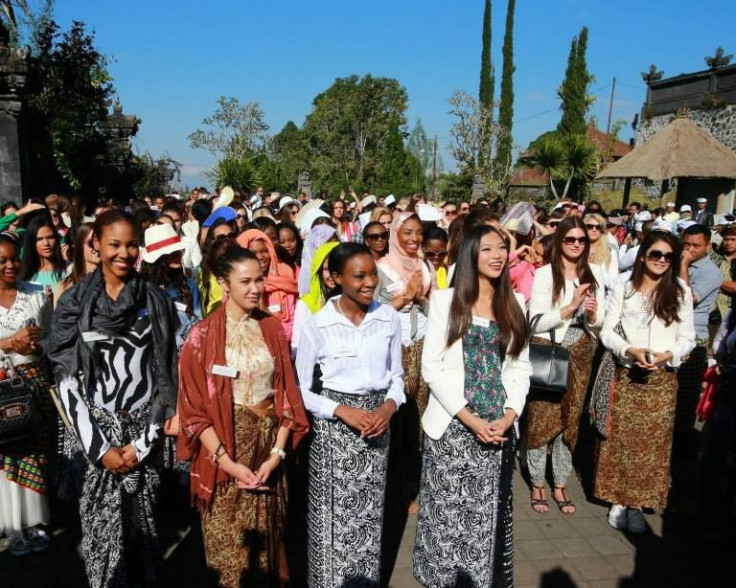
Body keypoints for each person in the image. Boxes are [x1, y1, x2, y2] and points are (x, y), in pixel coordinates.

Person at [45, 210, 178, 587]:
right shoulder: (75, 305)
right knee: (103, 543)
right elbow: (67, 379)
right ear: (96, 246)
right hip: (95, 433)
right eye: (115, 244)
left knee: (146, 537)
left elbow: (163, 377)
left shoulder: (155, 302)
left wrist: (142, 443)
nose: (124, 253)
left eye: (132, 244)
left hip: (143, 432)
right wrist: (101, 449)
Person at [178, 244, 309, 586]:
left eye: (260, 280)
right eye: (245, 281)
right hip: (224, 452)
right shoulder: (201, 336)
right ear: (224, 283)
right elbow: (193, 413)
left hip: (269, 448)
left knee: (270, 546)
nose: (256, 289)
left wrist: (277, 455)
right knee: (229, 555)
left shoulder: (272, 328)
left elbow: (286, 398)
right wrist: (228, 463)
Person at [413, 225, 531, 587]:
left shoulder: (516, 304)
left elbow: (519, 367)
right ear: (470, 256)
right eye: (487, 249)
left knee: (485, 516)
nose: (497, 256)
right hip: (453, 426)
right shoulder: (446, 301)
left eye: (502, 248)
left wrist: (510, 415)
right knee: (446, 516)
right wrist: (470, 418)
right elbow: (431, 367)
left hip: (497, 427)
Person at [296, 243, 405, 586]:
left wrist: (388, 408)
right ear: (336, 278)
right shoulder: (319, 324)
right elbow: (300, 390)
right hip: (334, 436)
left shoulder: (388, 318)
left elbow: (397, 378)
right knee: (334, 521)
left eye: (373, 273)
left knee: (370, 518)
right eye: (359, 276)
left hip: (377, 428)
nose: (369, 282)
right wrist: (341, 411)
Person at [595, 231, 695, 533]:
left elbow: (688, 338)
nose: (662, 261)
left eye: (668, 256)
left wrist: (668, 355)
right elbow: (607, 332)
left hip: (661, 380)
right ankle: (619, 500)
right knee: (621, 442)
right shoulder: (624, 287)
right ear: (642, 256)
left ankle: (637, 503)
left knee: (651, 446)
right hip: (627, 374)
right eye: (656, 254)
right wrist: (629, 350)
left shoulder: (680, 290)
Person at [526, 216, 605, 515]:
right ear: (559, 241)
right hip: (550, 350)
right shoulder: (546, 274)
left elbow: (601, 322)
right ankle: (537, 483)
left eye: (581, 240)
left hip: (582, 352)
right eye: (570, 239)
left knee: (571, 420)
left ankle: (560, 483)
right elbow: (536, 320)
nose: (576, 244)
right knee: (540, 418)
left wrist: (593, 314)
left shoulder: (594, 273)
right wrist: (570, 307)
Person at [375, 212, 435, 510]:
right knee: (397, 415)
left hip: (423, 343)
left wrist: (420, 298)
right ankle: (391, 483)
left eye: (418, 232)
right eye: (407, 232)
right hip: (395, 347)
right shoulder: (383, 267)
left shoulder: (425, 265)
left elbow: (432, 302)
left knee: (419, 417)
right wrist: (405, 296)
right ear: (396, 234)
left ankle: (412, 483)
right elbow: (377, 309)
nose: (413, 239)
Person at [0, 233, 54, 557]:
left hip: (34, 385)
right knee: (5, 458)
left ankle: (35, 522)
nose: (10, 266)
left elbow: (56, 339)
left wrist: (34, 346)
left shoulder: (37, 295)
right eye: (1, 261)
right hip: (2, 390)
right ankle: (12, 526)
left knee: (36, 452)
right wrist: (8, 343)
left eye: (14, 259)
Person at [674, 224, 722, 450]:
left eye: (696, 246)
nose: (690, 249)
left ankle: (682, 444)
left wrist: (683, 265)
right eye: (686, 244)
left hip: (694, 338)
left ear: (707, 246)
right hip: (672, 334)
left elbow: (688, 299)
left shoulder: (711, 272)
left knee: (686, 393)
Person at [237, 229, 299, 342]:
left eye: (264, 250)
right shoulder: (236, 284)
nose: (260, 257)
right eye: (253, 253)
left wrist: (264, 310)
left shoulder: (284, 274)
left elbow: (290, 327)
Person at [291, 241, 339, 354]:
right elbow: (298, 343)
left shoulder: (353, 299)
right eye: (327, 269)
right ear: (319, 270)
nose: (332, 275)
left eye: (337, 268)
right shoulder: (306, 304)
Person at [19, 216, 68, 289]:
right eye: (39, 239)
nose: (46, 243)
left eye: (50, 237)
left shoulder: (69, 270)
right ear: (32, 242)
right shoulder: (24, 274)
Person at [584, 212, 619, 291]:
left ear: (602, 229)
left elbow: (613, 281)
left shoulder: (610, 250)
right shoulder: (578, 248)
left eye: (598, 227)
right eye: (589, 226)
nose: (594, 229)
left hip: (600, 293)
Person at [422, 225, 449, 289]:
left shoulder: (450, 270)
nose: (436, 257)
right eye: (430, 253)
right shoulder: (418, 271)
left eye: (441, 253)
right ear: (423, 249)